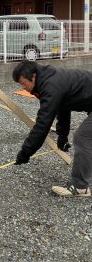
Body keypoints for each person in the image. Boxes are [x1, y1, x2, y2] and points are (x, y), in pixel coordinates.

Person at [12, 60, 92, 197]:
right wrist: (62, 136)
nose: (23, 87)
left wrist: (25, 153)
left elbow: (42, 125)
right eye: (20, 84)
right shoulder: (49, 78)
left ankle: (80, 187)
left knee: (82, 137)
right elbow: (63, 107)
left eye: (24, 83)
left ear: (33, 76)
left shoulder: (50, 86)